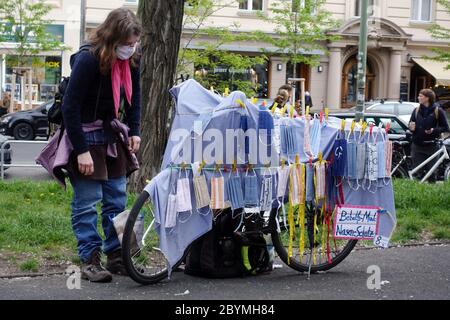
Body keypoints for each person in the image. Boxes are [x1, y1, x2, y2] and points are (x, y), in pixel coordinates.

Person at [61, 8, 142, 282]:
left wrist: (135, 130)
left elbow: (135, 98)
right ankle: (89, 259)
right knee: (87, 202)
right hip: (83, 136)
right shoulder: (87, 59)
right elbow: (69, 107)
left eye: (134, 44)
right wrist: (81, 150)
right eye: (126, 45)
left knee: (116, 200)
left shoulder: (130, 60)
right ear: (111, 39)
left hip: (111, 137)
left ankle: (116, 256)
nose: (131, 49)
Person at [408, 88, 449, 181]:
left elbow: (446, 128)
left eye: (420, 96)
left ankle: (429, 193)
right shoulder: (416, 110)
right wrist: (411, 127)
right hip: (417, 146)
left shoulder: (438, 111)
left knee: (432, 174)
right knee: (417, 173)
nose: (418, 97)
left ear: (427, 98)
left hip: (432, 147)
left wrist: (433, 130)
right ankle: (416, 193)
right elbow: (411, 124)